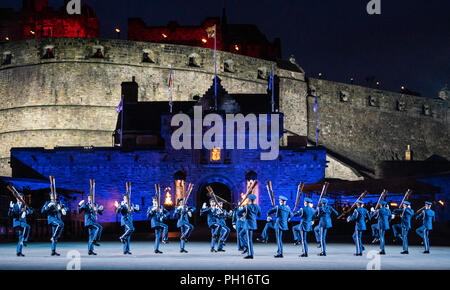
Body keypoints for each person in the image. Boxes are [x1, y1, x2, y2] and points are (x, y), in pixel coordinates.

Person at [8, 192, 33, 257]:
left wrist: (26, 212)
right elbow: (10, 215)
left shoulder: (24, 205)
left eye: (21, 198)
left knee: (21, 237)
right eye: (18, 198)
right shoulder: (15, 205)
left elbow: (31, 211)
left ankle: (19, 252)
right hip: (17, 222)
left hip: (23, 222)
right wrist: (11, 208)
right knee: (27, 226)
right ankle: (25, 240)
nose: (20, 199)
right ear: (17, 198)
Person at [237, 194, 261, 259]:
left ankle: (250, 254)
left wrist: (243, 216)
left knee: (249, 239)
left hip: (248, 224)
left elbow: (238, 213)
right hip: (253, 223)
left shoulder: (247, 207)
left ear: (249, 200)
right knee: (241, 234)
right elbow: (259, 215)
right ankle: (247, 246)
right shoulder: (258, 207)